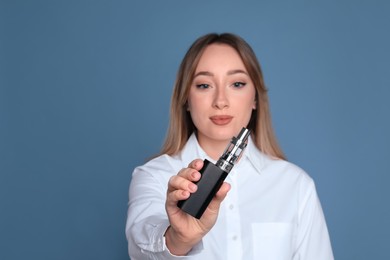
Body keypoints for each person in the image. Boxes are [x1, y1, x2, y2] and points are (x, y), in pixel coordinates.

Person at [125, 33, 334, 259]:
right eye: (204, 85)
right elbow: (140, 248)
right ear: (186, 98)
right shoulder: (155, 176)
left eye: (237, 84)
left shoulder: (295, 185)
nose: (221, 101)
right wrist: (178, 239)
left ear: (255, 98)